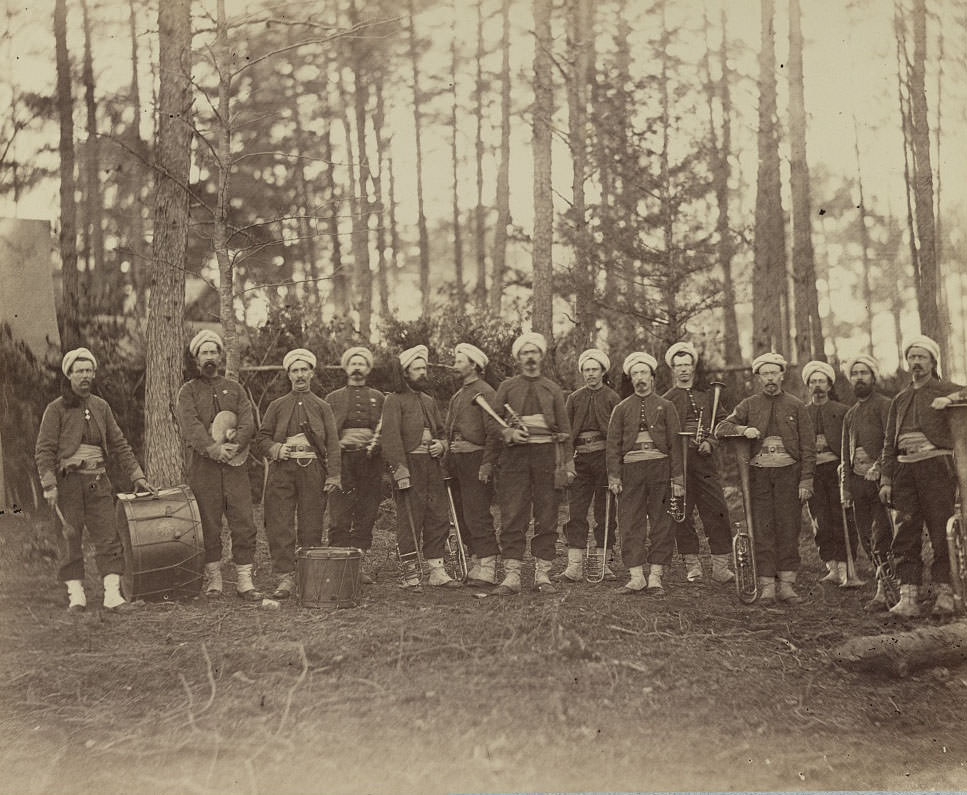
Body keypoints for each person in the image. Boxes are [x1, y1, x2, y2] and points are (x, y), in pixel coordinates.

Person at [35, 347, 155, 612]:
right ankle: (76, 596)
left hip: (98, 481)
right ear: (69, 375)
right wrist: (49, 484)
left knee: (108, 536)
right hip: (68, 484)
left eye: (89, 371)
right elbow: (44, 449)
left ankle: (112, 595)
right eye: (79, 371)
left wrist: (137, 475)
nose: (85, 376)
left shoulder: (101, 407)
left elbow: (119, 443)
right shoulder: (55, 410)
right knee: (69, 537)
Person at [715, 352, 815, 605]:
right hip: (759, 476)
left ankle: (788, 586)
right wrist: (743, 429)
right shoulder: (749, 405)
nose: (770, 378)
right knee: (763, 527)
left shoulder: (796, 405)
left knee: (788, 527)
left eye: (774, 373)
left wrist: (805, 480)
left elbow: (808, 448)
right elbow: (721, 428)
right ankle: (767, 585)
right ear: (758, 377)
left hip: (789, 475)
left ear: (782, 375)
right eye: (765, 373)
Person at [879, 336, 965, 617]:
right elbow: (889, 443)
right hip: (904, 471)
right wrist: (886, 479)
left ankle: (945, 593)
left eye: (922, 357)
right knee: (905, 532)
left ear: (933, 361)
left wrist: (950, 399)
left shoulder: (944, 388)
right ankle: (909, 597)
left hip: (935, 468)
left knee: (941, 530)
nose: (916, 362)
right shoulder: (900, 399)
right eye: (912, 357)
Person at [176, 330, 262, 600]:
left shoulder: (235, 389)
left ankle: (244, 580)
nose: (210, 357)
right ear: (196, 358)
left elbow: (248, 421)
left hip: (236, 466)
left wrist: (237, 444)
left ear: (221, 356)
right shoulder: (188, 392)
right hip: (205, 469)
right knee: (208, 522)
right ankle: (214, 580)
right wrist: (213, 450)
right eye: (204, 353)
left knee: (244, 521)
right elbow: (190, 426)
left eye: (214, 352)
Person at [488, 332, 575, 595]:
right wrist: (508, 434)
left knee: (547, 515)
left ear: (541, 356)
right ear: (518, 358)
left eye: (534, 352)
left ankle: (542, 575)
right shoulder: (507, 387)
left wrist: (568, 463)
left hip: (547, 457)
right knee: (513, 513)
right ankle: (512, 576)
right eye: (525, 353)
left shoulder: (552, 388)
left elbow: (566, 428)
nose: (530, 358)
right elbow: (492, 420)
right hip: (515, 458)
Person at [255, 348, 341, 600]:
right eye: (295, 370)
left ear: (312, 373)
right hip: (282, 470)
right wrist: (276, 448)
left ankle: (309, 575)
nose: (300, 375)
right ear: (288, 374)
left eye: (304, 370)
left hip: (313, 471)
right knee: (280, 523)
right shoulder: (277, 406)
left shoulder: (323, 407)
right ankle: (285, 577)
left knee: (311, 523)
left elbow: (333, 444)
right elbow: (261, 438)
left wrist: (333, 475)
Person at [381, 344, 459, 591]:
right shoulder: (393, 401)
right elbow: (390, 438)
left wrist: (441, 445)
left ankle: (436, 570)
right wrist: (400, 471)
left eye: (424, 368)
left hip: (432, 466)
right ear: (405, 373)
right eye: (417, 369)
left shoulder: (428, 400)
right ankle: (410, 575)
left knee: (437, 516)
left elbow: (440, 432)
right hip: (410, 466)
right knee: (410, 519)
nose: (422, 372)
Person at [606, 352, 684, 596]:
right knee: (630, 521)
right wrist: (614, 476)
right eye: (635, 374)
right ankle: (637, 577)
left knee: (662, 521)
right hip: (631, 471)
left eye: (644, 373)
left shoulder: (666, 406)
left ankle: (656, 577)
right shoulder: (621, 409)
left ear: (652, 377)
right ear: (630, 378)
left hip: (660, 468)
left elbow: (675, 445)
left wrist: (678, 479)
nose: (640, 378)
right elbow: (612, 446)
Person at [661, 341, 735, 585]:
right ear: (672, 369)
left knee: (717, 510)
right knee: (681, 514)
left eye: (687, 365)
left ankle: (720, 567)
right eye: (678, 365)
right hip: (679, 465)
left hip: (705, 463)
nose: (683, 370)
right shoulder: (666, 399)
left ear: (693, 367)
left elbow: (723, 422)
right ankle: (693, 565)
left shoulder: (706, 396)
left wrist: (711, 442)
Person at [558, 348, 620, 583]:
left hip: (605, 460)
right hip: (581, 461)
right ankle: (574, 566)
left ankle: (603, 564)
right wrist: (568, 463)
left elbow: (618, 435)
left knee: (606, 513)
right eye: (587, 370)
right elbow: (565, 435)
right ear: (582, 372)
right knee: (576, 511)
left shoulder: (613, 398)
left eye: (595, 369)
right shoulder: (574, 398)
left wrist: (615, 467)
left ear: (603, 371)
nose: (591, 374)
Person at [839, 354, 894, 611]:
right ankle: (885, 581)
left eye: (864, 373)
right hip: (858, 482)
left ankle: (887, 589)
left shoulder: (885, 406)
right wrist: (846, 487)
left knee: (882, 533)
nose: (859, 378)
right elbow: (844, 453)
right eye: (855, 373)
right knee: (864, 537)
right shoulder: (850, 414)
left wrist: (881, 469)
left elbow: (890, 441)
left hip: (879, 481)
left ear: (873, 376)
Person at [326, 346, 385, 582]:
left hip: (370, 461)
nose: (357, 368)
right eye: (353, 364)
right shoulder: (333, 398)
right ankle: (339, 567)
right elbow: (326, 433)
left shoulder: (379, 397)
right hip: (343, 461)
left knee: (366, 512)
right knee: (340, 513)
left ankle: (357, 567)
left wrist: (377, 445)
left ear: (368, 369)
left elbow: (385, 430)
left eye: (362, 364)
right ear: (346, 368)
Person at [443, 342, 500, 586]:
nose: (455, 365)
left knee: (477, 513)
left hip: (476, 460)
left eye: (459, 360)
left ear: (474, 365)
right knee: (462, 515)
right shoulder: (458, 395)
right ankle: (476, 563)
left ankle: (488, 568)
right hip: (456, 462)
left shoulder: (485, 392)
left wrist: (487, 464)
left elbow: (494, 433)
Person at [801, 360, 854, 586]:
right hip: (814, 472)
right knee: (820, 519)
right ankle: (831, 566)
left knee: (841, 517)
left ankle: (846, 567)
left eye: (821, 381)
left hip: (837, 470)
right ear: (808, 386)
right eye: (813, 382)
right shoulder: (802, 413)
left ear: (829, 385)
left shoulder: (843, 412)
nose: (818, 386)